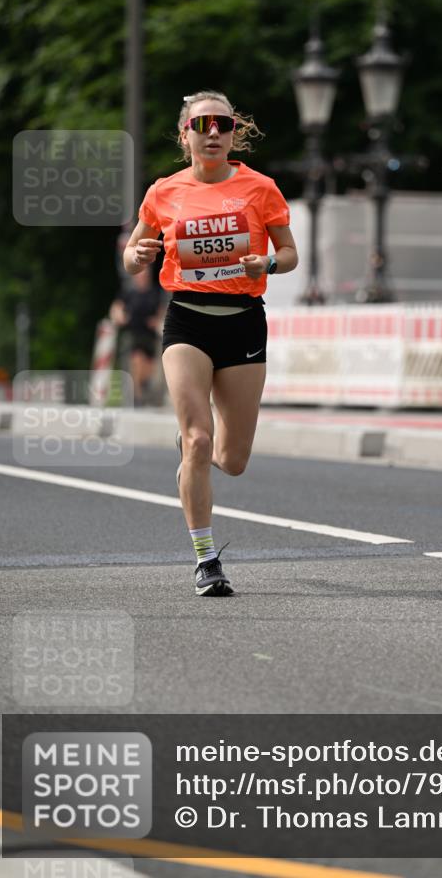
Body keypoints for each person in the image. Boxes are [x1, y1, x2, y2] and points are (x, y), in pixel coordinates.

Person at [121, 90, 298, 595]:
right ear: (187, 136)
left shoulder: (259, 188)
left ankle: (198, 447)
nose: (214, 132)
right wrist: (138, 255)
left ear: (234, 132)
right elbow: (133, 253)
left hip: (243, 321)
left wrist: (266, 263)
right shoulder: (164, 191)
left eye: (223, 124)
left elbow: (289, 253)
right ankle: (205, 559)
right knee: (198, 439)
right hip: (187, 324)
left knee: (234, 459)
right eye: (203, 125)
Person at [109, 270, 163, 406]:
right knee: (137, 361)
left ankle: (142, 391)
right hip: (133, 335)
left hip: (150, 337)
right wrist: (120, 316)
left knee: (148, 369)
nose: (142, 278)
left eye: (145, 276)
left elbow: (162, 312)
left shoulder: (155, 293)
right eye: (140, 275)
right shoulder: (128, 293)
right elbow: (116, 309)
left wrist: (157, 321)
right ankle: (137, 397)